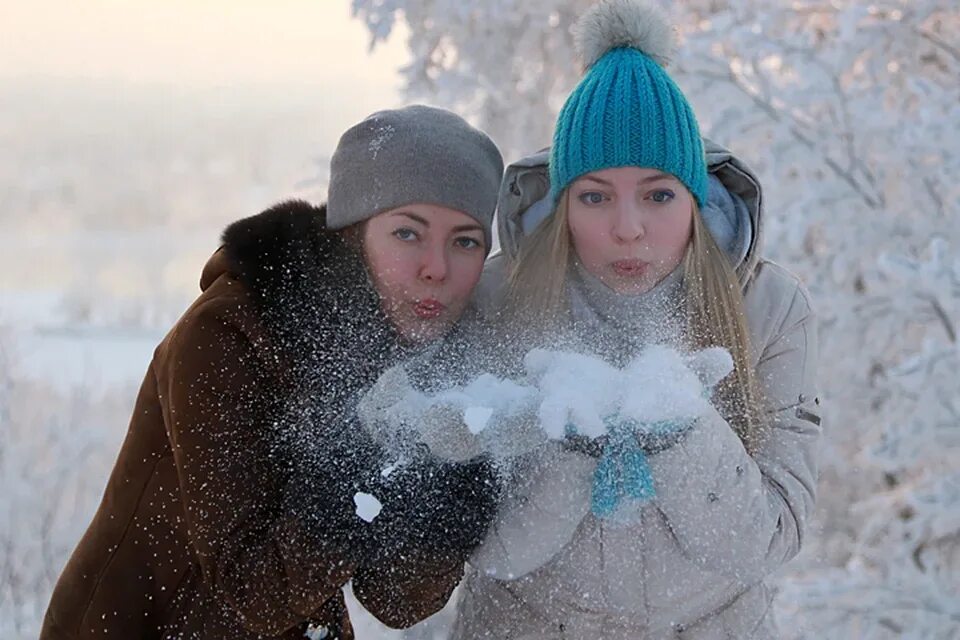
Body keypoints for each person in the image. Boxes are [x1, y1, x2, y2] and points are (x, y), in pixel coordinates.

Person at [40, 105, 505, 640]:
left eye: (465, 240)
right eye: (407, 233)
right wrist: (352, 484)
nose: (437, 267)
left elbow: (395, 601)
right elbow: (248, 595)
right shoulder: (230, 334)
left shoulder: (415, 350)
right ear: (353, 232)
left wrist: (444, 511)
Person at [447, 1, 823, 638]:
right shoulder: (492, 302)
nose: (628, 229)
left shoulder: (771, 309)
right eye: (595, 196)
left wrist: (682, 433)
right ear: (564, 203)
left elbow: (771, 538)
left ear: (697, 199)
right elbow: (490, 549)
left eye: (658, 195)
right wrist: (569, 444)